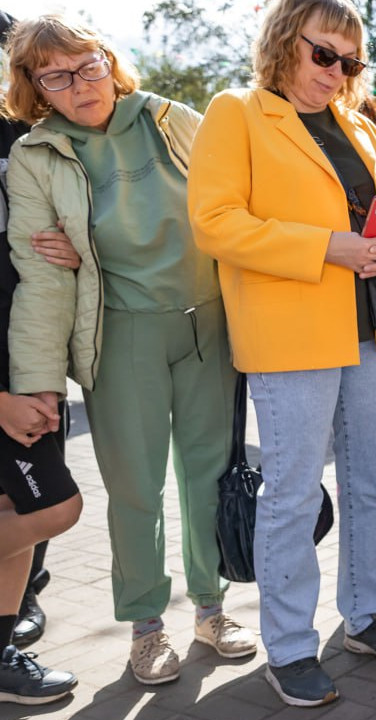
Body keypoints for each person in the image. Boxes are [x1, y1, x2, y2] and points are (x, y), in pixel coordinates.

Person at [186, 0, 376, 706]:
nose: (336, 73)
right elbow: (215, 220)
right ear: (285, 41)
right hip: (290, 334)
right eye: (324, 54)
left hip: (374, 331)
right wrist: (329, 247)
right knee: (291, 494)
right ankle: (289, 646)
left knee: (368, 482)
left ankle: (366, 614)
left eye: (349, 62)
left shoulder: (361, 124)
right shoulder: (237, 112)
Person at [4, 15, 252, 686]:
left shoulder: (174, 119)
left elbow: (235, 204)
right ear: (34, 87)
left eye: (88, 65)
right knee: (136, 490)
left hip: (207, 326)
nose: (79, 84)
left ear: (109, 60)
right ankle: (146, 629)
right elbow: (41, 279)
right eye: (55, 75)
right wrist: (35, 382)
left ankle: (211, 608)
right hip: (120, 336)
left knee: (208, 475)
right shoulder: (37, 155)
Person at [0, 21, 82, 698]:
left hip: (23, 361)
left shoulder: (23, 139)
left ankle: (1, 654)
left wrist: (81, 248)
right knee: (56, 507)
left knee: (20, 511)